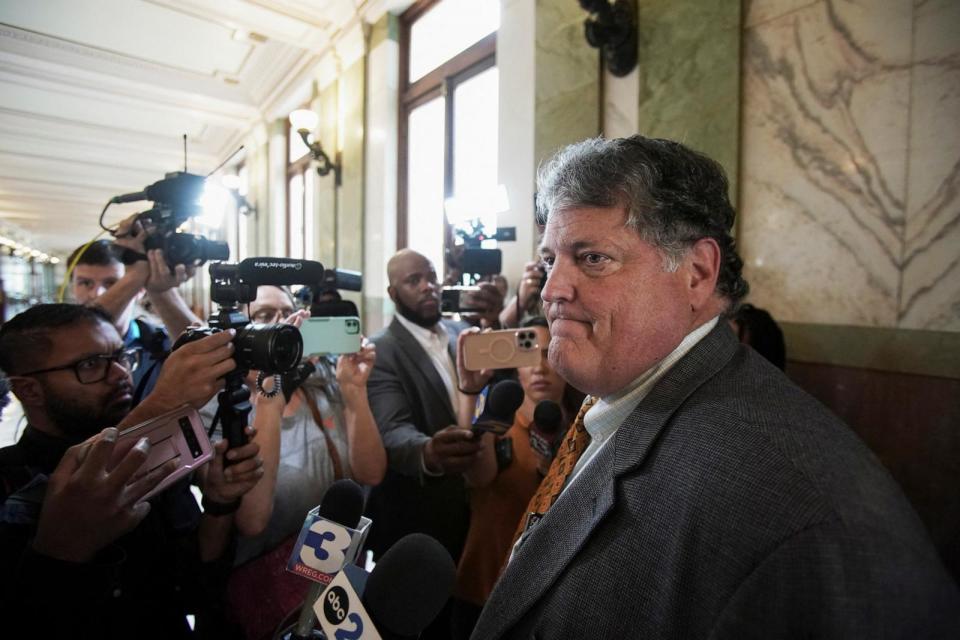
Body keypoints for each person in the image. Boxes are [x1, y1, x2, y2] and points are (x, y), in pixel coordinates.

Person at [470, 136, 960, 639]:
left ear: (698, 273)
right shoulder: (628, 396)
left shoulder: (799, 514)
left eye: (592, 258)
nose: (552, 290)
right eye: (551, 260)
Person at [0, 303, 263, 638]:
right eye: (91, 365)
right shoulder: (11, 485)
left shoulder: (155, 453)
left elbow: (194, 585)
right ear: (28, 389)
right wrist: (162, 404)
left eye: (121, 357)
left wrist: (218, 505)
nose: (121, 375)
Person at [219, 285, 386, 640]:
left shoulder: (326, 379)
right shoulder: (224, 405)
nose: (282, 326)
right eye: (265, 317)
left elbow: (370, 472)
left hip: (335, 578)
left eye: (288, 314)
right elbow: (252, 520)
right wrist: (270, 401)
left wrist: (355, 392)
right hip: (265, 589)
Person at [364, 249, 502, 640]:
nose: (427, 286)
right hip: (418, 514)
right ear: (393, 294)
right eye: (413, 281)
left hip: (475, 507)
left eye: (430, 276)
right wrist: (428, 453)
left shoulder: (462, 334)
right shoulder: (382, 351)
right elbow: (391, 432)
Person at [451, 317, 582, 638]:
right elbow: (477, 475)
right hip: (485, 591)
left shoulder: (587, 428)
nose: (539, 367)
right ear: (514, 365)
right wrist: (469, 390)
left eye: (549, 353)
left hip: (555, 599)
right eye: (528, 353)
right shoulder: (497, 423)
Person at [67, 227, 200, 402]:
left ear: (140, 289)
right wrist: (137, 274)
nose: (96, 294)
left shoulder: (161, 343)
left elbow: (205, 351)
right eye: (85, 283)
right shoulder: (60, 346)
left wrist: (159, 286)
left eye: (111, 283)